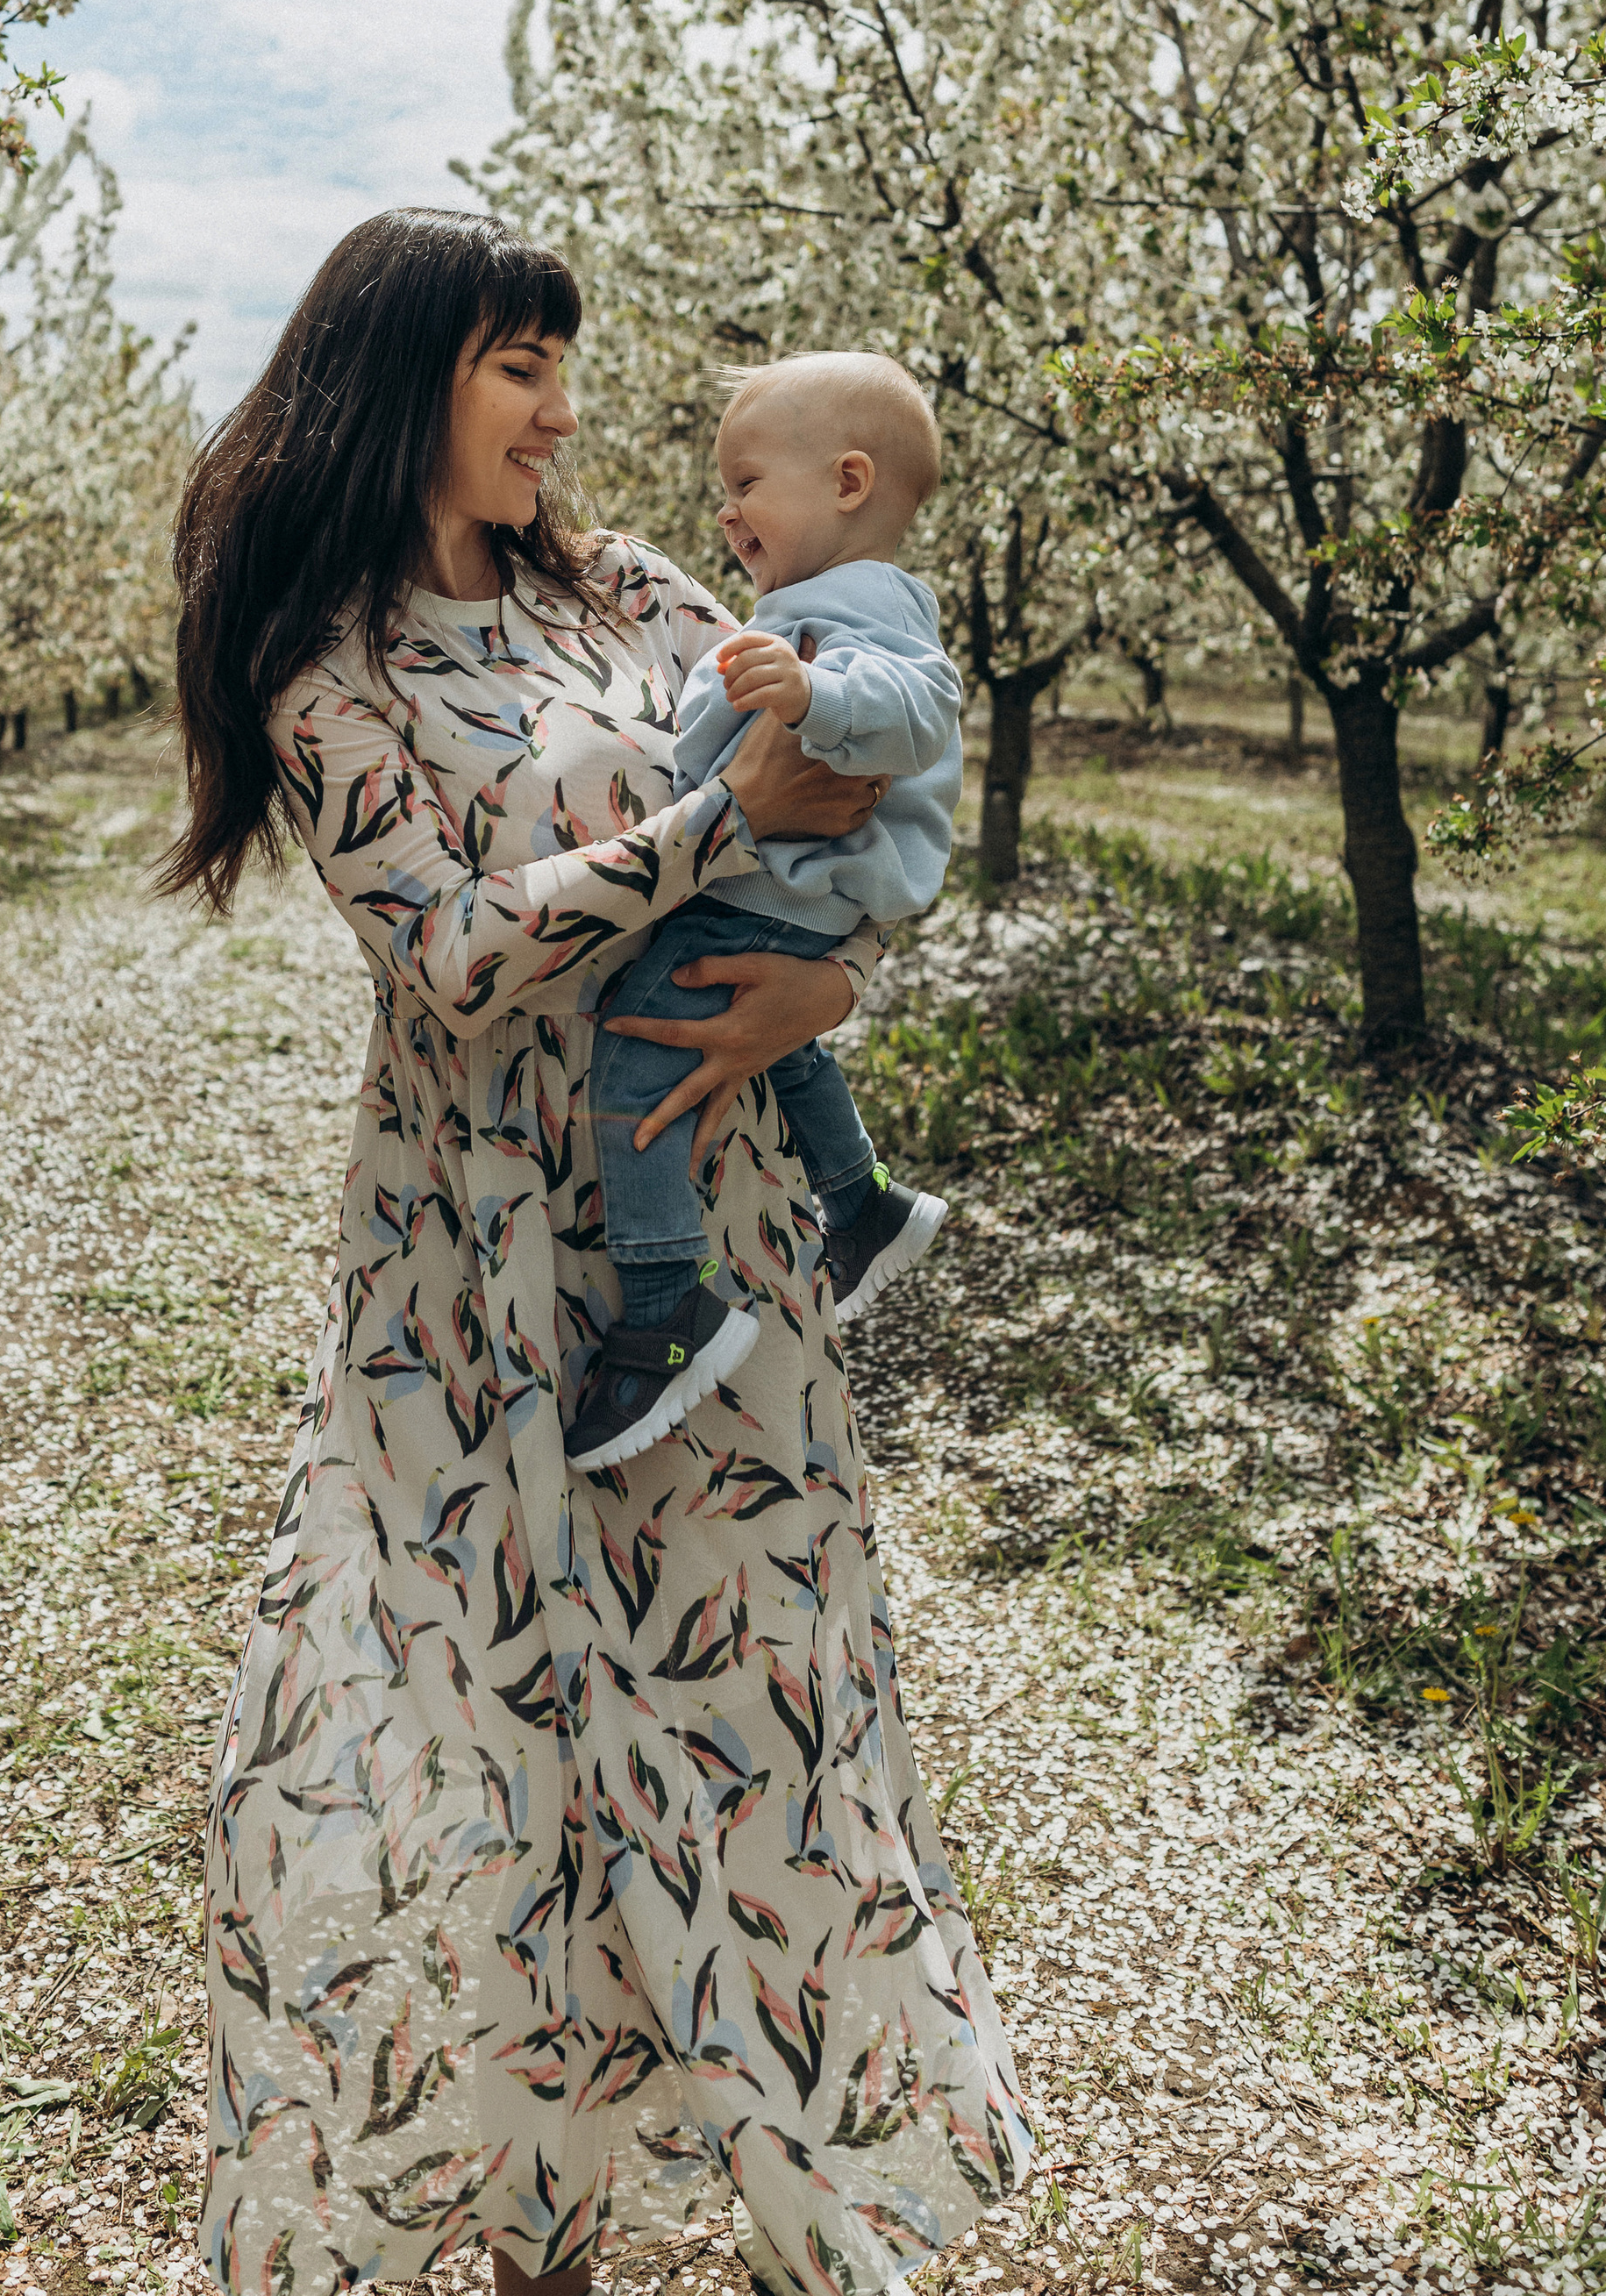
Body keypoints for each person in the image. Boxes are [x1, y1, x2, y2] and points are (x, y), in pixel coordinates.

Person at [167, 209, 1031, 2296]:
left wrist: (825, 993)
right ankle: (522, 2235)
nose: (565, 411)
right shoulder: (331, 673)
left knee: (752, 1707)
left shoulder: (628, 586)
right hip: (470, 1275)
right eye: (518, 366)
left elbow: (855, 768)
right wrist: (714, 823)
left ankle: (799, 2202)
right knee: (478, 1745)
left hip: (708, 1239)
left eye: (564, 362)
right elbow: (460, 961)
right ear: (405, 386)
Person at [565, 353, 962, 1471]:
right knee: (780, 1056)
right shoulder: (808, 600)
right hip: (782, 890)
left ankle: (663, 1296)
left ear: (845, 481)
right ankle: (862, 1201)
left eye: (745, 481)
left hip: (775, 882)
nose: (725, 508)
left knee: (642, 1050)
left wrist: (813, 697)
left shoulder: (860, 602)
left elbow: (922, 703)